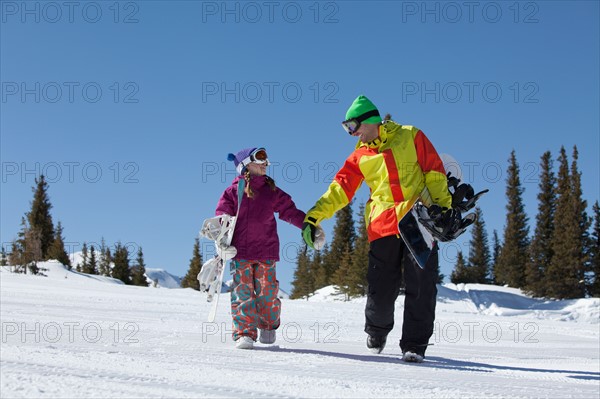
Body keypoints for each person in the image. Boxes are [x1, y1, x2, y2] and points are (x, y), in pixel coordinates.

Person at [301, 95, 453, 363]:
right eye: (348, 129)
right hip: (383, 226)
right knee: (381, 289)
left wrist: (441, 207)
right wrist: (314, 216)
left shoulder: (411, 135)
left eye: (353, 126)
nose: (352, 133)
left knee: (422, 285)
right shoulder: (360, 156)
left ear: (370, 120)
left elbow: (434, 169)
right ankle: (377, 330)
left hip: (419, 221)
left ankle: (415, 345)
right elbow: (340, 190)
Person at [215, 147, 306, 350]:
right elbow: (222, 218)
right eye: (260, 160)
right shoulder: (232, 192)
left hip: (266, 251)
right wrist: (221, 239)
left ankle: (268, 325)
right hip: (240, 253)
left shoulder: (270, 191)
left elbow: (289, 210)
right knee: (242, 293)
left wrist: (308, 226)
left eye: (266, 160)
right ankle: (244, 333)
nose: (265, 163)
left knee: (267, 292)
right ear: (245, 166)